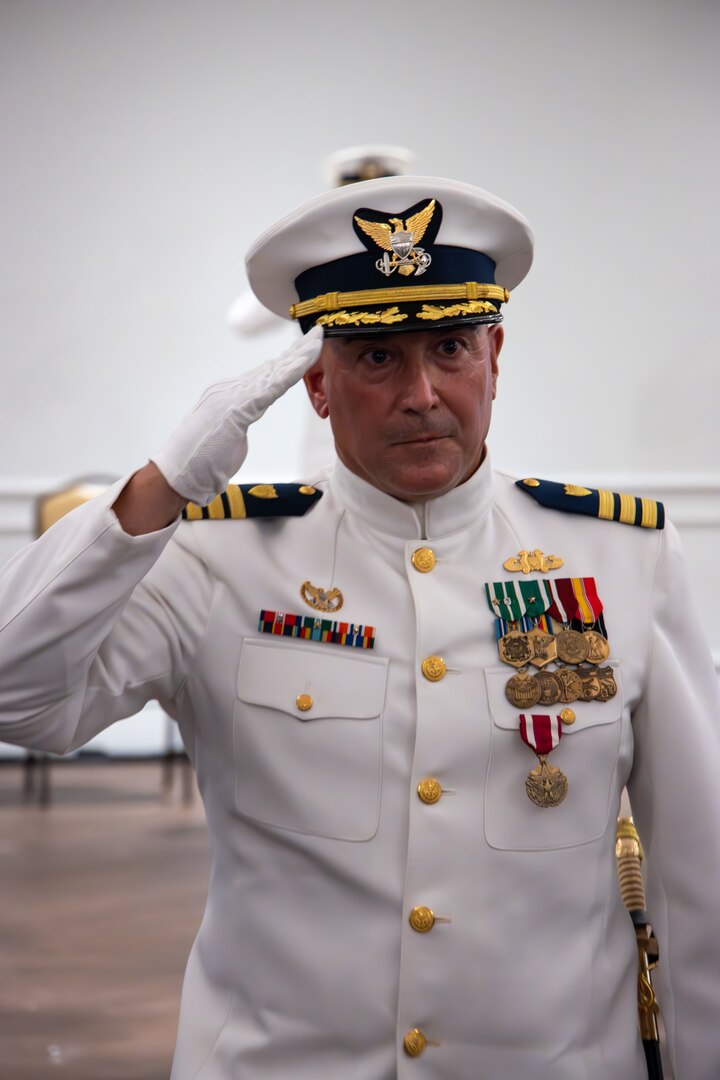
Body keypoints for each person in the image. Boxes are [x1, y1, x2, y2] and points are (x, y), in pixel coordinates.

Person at [1, 176, 719, 1080]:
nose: (421, 393)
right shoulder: (215, 561)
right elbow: (17, 697)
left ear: (496, 354)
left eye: (451, 347)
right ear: (316, 385)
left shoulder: (623, 560)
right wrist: (161, 489)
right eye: (378, 359)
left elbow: (701, 879)